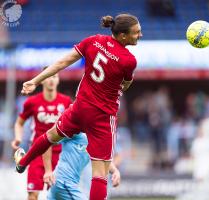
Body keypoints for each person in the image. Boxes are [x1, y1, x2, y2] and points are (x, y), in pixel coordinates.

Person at [14, 13, 142, 200]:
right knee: (100, 173)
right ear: (123, 36)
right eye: (136, 32)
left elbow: (62, 63)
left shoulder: (93, 41)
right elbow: (126, 84)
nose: (140, 35)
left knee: (50, 136)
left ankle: (23, 162)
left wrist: (34, 81)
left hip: (80, 108)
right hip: (102, 117)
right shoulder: (129, 61)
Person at [11, 71, 72, 200]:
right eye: (48, 76)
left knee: (59, 196)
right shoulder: (32, 102)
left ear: (58, 80)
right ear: (42, 80)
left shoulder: (66, 102)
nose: (51, 80)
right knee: (33, 194)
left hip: (59, 155)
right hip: (37, 154)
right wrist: (17, 138)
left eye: (54, 76)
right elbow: (19, 123)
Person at [45, 133, 121, 200]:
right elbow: (47, 141)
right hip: (63, 182)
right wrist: (48, 171)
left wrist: (115, 171)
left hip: (66, 183)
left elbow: (102, 159)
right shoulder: (75, 131)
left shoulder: (94, 138)